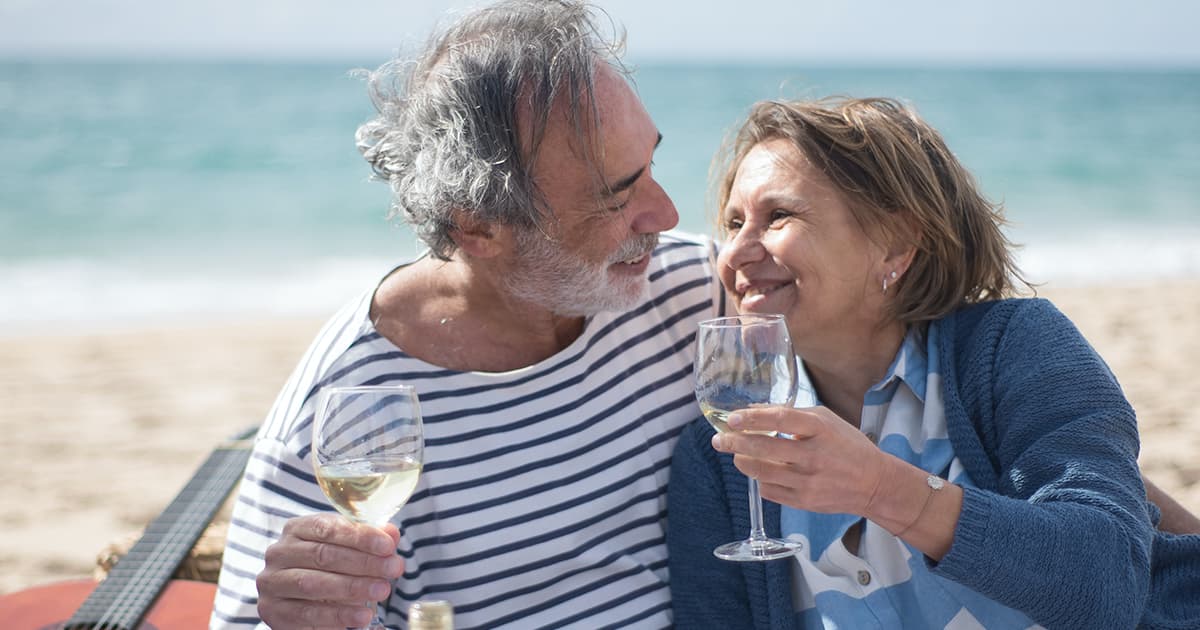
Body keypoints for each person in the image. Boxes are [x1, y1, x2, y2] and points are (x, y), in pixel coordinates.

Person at [209, 1, 722, 628]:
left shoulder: (699, 291)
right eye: (616, 195)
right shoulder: (350, 407)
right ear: (477, 224)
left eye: (650, 164)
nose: (667, 216)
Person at [667, 97, 1199, 629]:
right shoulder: (720, 459)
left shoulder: (1011, 349)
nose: (734, 253)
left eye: (778, 215)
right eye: (734, 223)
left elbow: (1107, 581)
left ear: (896, 245)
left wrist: (882, 489)